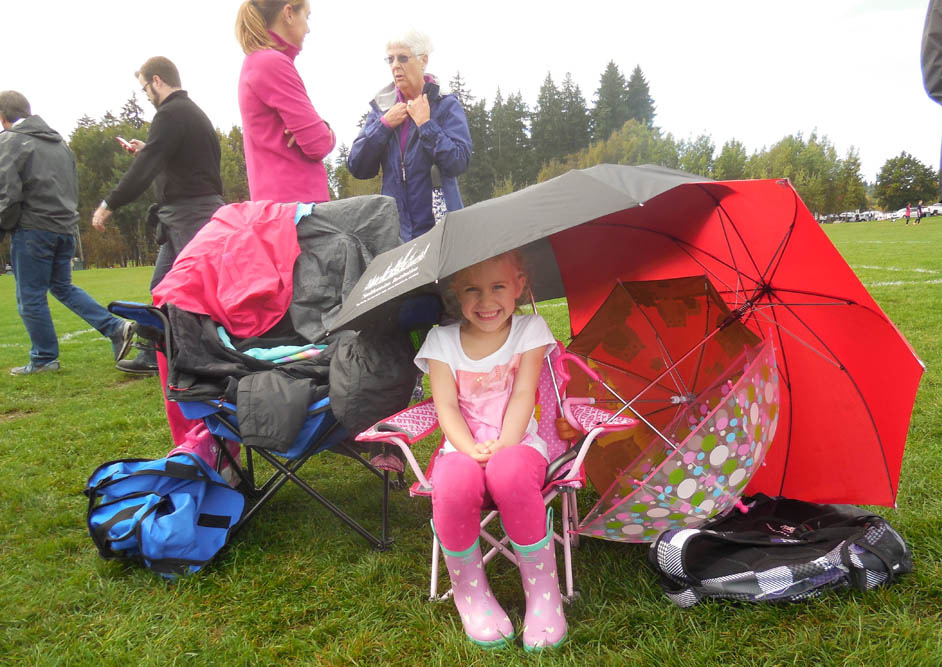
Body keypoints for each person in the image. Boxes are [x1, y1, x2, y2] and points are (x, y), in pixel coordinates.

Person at [414, 251, 566, 651]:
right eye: (472, 290)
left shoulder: (530, 330)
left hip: (519, 447)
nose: (486, 301)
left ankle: (544, 596)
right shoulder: (441, 341)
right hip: (460, 449)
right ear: (455, 291)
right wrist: (470, 449)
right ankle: (471, 595)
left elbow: (523, 393)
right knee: (453, 483)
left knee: (508, 470)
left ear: (519, 285)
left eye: (498, 287)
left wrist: (504, 444)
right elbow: (446, 406)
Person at [92, 57, 224, 374]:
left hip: (189, 216)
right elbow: (176, 159)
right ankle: (154, 353)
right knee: (163, 286)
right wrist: (148, 148)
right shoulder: (190, 113)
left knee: (192, 290)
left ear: (157, 80)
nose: (146, 95)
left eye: (144, 88)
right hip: (193, 213)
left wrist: (109, 203)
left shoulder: (170, 114)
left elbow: (146, 167)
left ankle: (211, 353)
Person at [0, 91, 135, 376]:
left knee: (30, 296)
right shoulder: (60, 143)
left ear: (2, 116)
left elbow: (8, 195)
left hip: (33, 230)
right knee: (62, 287)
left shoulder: (10, 141)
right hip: (65, 229)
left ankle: (43, 358)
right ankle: (115, 327)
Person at [347, 30, 471, 242]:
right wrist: (384, 126)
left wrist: (426, 125)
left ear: (424, 60)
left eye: (403, 58)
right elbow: (357, 166)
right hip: (395, 236)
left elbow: (458, 161)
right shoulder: (382, 109)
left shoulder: (445, 104)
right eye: (390, 59)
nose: (395, 65)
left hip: (442, 231)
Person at [235, 0, 335, 203]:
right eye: (306, 16)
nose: (308, 28)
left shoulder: (258, 62)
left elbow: (313, 137)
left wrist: (317, 130)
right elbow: (319, 143)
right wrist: (327, 132)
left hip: (279, 204)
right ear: (288, 13)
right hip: (297, 208)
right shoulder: (272, 62)